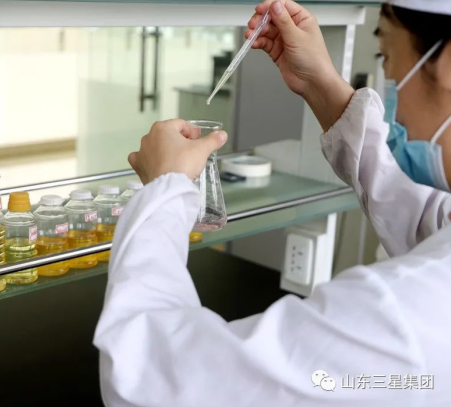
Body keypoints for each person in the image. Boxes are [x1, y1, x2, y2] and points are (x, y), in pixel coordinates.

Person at [94, 0, 451, 405]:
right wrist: (319, 84)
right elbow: (425, 219)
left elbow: (152, 375)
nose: (389, 84)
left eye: (385, 55)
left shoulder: (403, 317)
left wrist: (165, 188)